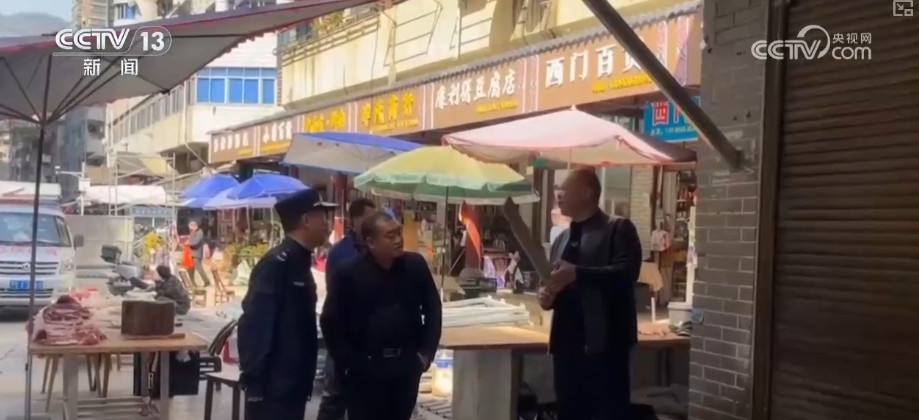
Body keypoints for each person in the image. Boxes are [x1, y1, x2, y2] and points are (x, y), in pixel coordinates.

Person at [540, 168, 643, 420]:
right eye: (557, 190)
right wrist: (547, 296)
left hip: (605, 348)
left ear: (587, 193)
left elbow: (627, 273)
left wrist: (578, 273)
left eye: (564, 189)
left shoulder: (618, 229)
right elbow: (555, 283)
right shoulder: (561, 239)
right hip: (565, 348)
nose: (558, 195)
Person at [320, 211, 443, 420]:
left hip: (406, 366)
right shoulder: (348, 273)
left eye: (398, 233)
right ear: (371, 242)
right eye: (389, 236)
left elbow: (433, 308)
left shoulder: (414, 266)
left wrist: (425, 354)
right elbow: (330, 322)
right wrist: (347, 363)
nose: (398, 240)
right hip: (365, 369)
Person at [237, 188, 335, 420]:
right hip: (273, 388)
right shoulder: (276, 264)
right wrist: (255, 384)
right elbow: (255, 325)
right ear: (306, 220)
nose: (328, 224)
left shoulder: (300, 261)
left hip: (293, 384)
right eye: (323, 216)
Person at [316, 197, 377, 420]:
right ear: (355, 220)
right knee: (335, 396)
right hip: (344, 334)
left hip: (371, 338)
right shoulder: (341, 252)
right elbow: (336, 299)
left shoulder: (376, 248)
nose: (374, 222)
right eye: (369, 217)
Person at [185, 220, 210, 287]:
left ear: (194, 226)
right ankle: (192, 283)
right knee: (190, 269)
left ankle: (206, 281)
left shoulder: (200, 232)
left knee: (199, 268)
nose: (190, 229)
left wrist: (188, 243)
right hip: (191, 253)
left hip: (196, 253)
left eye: (191, 228)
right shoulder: (193, 232)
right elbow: (190, 239)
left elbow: (195, 242)